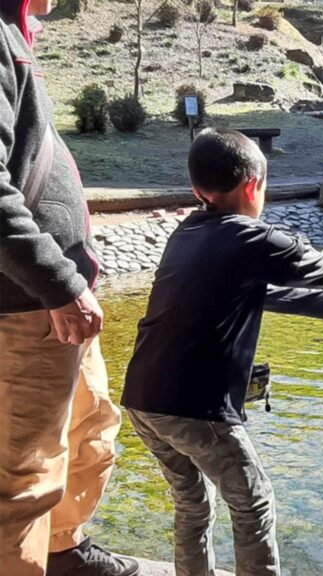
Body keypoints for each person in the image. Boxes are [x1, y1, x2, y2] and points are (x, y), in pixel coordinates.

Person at [120, 128, 323, 576]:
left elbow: (257, 292)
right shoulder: (252, 238)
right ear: (253, 185)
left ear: (198, 190)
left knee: (192, 502)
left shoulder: (189, 232)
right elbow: (318, 263)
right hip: (193, 407)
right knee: (254, 502)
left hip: (142, 399)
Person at [1, 2, 137, 575]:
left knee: (92, 428)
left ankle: (62, 549)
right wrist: (56, 283)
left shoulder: (12, 27)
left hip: (53, 304)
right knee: (22, 479)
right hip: (25, 306)